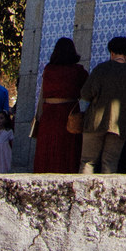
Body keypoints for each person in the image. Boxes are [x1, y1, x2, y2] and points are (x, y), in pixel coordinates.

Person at [77, 38, 126, 174]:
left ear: (111, 52)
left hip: (95, 121)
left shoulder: (100, 69)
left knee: (88, 161)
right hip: (120, 124)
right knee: (110, 162)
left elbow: (85, 94)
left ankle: (81, 193)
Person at [32, 38, 88, 173]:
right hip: (68, 114)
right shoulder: (78, 71)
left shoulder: (49, 70)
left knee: (47, 151)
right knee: (66, 152)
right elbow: (87, 91)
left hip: (48, 115)